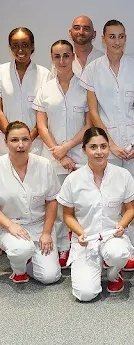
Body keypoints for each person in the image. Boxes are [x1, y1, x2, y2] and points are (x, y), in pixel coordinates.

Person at [80, 19, 134, 271]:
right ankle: (109, 245)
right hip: (105, 143)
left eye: (120, 36)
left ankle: (131, 249)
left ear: (125, 38)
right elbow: (94, 112)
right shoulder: (93, 69)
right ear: (103, 39)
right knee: (110, 197)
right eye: (112, 36)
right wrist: (111, 145)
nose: (116, 41)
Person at [58, 127, 134, 301]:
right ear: (84, 150)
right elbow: (68, 215)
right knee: (85, 294)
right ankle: (96, 266)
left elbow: (130, 209)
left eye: (103, 146)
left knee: (118, 254)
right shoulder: (73, 180)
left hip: (113, 236)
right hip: (86, 239)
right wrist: (80, 233)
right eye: (93, 147)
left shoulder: (122, 175)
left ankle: (114, 273)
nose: (99, 152)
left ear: (109, 148)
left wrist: (122, 225)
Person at [33, 40, 92, 268]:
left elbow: (89, 124)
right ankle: (61, 247)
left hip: (79, 155)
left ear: (73, 58)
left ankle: (81, 246)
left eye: (66, 56)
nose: (62, 61)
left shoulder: (84, 87)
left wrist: (67, 148)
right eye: (57, 56)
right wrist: (59, 153)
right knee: (56, 206)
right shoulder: (45, 90)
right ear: (52, 58)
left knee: (80, 204)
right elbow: (42, 126)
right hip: (53, 157)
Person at [0, 121, 61, 284]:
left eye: (25, 139)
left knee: (50, 277)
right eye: (14, 140)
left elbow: (52, 200)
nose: (20, 145)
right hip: (10, 226)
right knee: (21, 249)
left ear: (31, 141)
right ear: (6, 142)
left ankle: (28, 259)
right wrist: (10, 226)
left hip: (40, 226)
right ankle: (19, 270)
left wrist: (47, 232)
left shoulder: (44, 165)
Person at [0, 27, 51, 156]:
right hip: (6, 143)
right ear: (10, 47)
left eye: (25, 45)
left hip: (36, 144)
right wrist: (12, 136)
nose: (20, 50)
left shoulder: (45, 74)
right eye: (15, 45)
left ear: (32, 46)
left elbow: (46, 112)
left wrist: (28, 138)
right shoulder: (1, 72)